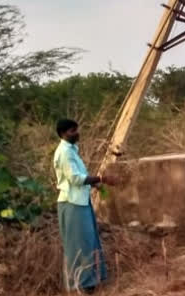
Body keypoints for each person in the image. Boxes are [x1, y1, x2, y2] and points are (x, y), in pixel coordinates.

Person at [54, 118, 118, 293]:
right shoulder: (65, 152)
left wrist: (94, 183)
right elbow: (75, 179)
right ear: (62, 134)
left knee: (89, 241)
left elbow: (80, 175)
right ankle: (83, 285)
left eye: (76, 130)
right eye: (72, 131)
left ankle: (92, 281)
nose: (76, 134)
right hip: (72, 204)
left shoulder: (72, 150)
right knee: (79, 245)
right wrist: (101, 178)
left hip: (80, 201)